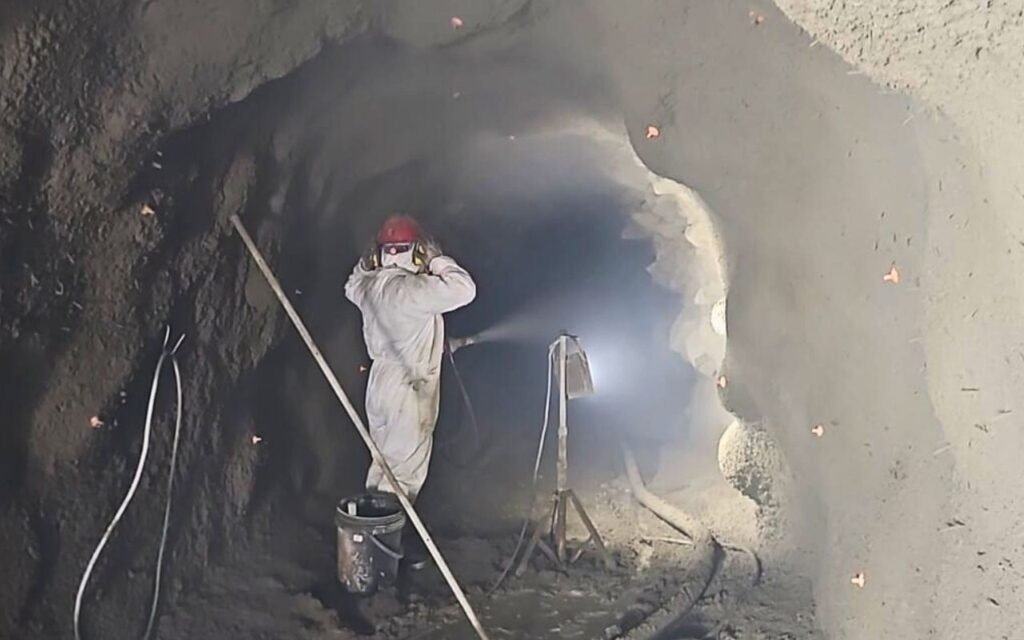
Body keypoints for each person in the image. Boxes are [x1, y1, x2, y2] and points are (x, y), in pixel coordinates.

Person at [344, 214, 476, 565]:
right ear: (415, 252)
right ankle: (377, 558)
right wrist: (437, 259)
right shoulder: (411, 290)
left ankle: (375, 547)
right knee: (402, 476)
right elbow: (464, 289)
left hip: (381, 384)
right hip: (408, 390)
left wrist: (366, 263)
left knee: (382, 467)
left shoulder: (369, 287)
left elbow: (351, 283)